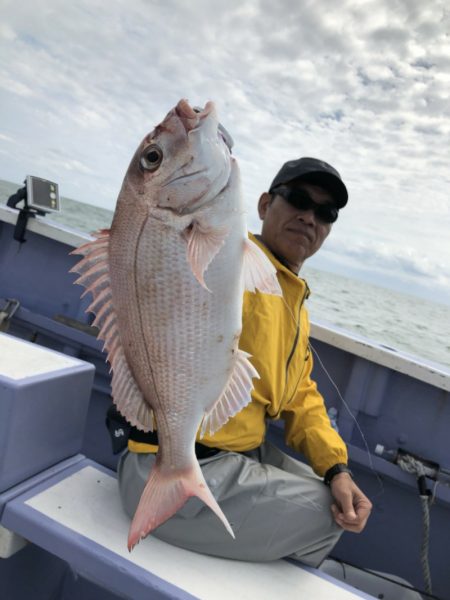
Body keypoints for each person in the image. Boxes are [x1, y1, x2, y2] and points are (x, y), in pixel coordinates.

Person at [115, 157, 372, 567]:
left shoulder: (292, 300)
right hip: (168, 461)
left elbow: (301, 396)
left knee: (339, 496)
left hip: (236, 455)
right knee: (329, 517)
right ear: (264, 204)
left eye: (325, 213)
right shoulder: (223, 261)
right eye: (299, 200)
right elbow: (171, 263)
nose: (310, 218)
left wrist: (337, 467)